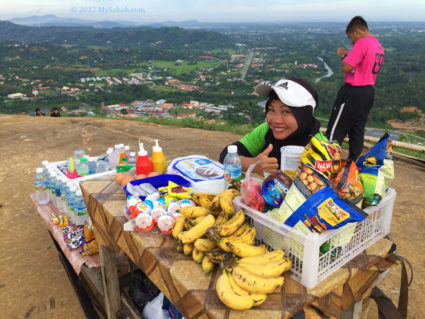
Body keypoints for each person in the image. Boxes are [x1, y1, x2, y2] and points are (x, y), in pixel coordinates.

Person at [219, 77, 320, 176]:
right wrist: (252, 164)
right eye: (271, 109)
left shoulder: (320, 146)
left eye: (286, 111)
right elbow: (226, 155)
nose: (276, 120)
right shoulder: (267, 130)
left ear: (304, 115)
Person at [326, 16, 384, 161]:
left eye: (350, 36)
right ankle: (353, 163)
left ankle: (327, 163)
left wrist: (344, 55)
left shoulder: (362, 43)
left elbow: (347, 67)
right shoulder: (378, 46)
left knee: (335, 130)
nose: (351, 41)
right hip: (368, 92)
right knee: (357, 130)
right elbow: (360, 68)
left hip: (353, 91)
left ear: (357, 32)